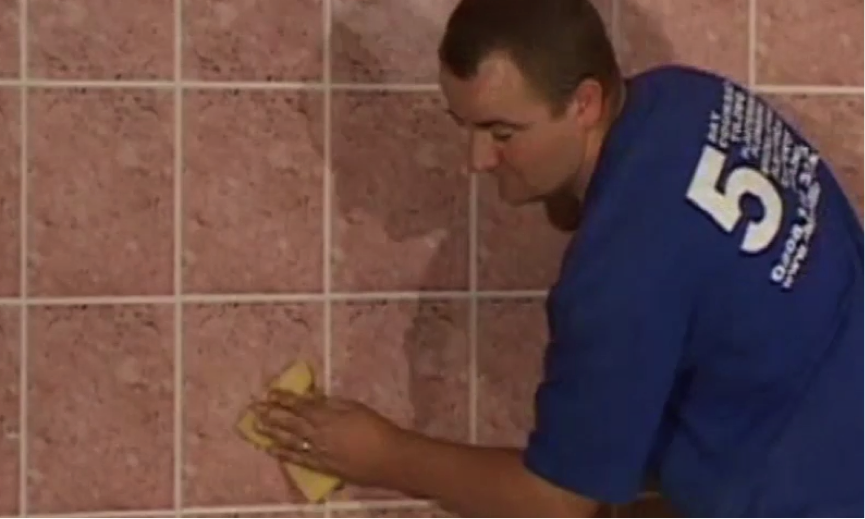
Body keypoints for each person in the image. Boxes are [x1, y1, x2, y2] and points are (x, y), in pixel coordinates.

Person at [252, 0, 865, 516]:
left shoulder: (617, 275)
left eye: (502, 133)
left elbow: (557, 501)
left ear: (585, 103)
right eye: (465, 127)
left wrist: (381, 454)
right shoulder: (687, 97)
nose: (477, 160)